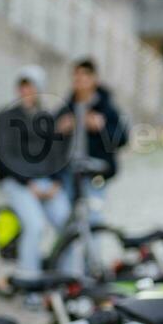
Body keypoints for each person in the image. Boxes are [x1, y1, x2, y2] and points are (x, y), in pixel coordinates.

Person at [0, 64, 71, 301]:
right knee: (35, 226)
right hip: (17, 182)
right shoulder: (6, 117)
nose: (26, 90)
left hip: (46, 182)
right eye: (23, 85)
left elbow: (57, 153)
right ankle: (31, 289)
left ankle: (68, 284)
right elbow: (5, 156)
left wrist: (56, 181)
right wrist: (29, 183)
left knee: (68, 224)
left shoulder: (47, 119)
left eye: (31, 85)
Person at [54, 57, 130, 224]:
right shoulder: (66, 108)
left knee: (93, 220)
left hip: (94, 173)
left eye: (84, 76)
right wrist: (59, 129)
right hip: (68, 174)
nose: (80, 80)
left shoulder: (106, 108)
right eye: (76, 76)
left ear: (94, 79)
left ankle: (92, 251)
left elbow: (123, 139)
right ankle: (69, 251)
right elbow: (48, 140)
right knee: (66, 221)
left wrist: (101, 127)